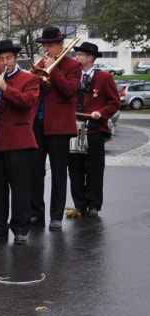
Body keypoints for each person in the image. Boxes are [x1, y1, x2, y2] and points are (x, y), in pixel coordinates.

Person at [0, 40, 40, 245]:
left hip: (19, 141)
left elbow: (27, 102)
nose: (5, 62)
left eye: (8, 58)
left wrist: (5, 88)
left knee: (20, 187)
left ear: (15, 59)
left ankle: (20, 228)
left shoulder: (29, 79)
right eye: (1, 59)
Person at [28, 26, 81, 231]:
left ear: (61, 45)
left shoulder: (74, 65)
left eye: (50, 45)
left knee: (59, 172)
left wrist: (55, 70)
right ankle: (36, 213)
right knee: (35, 171)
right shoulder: (39, 64)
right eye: (44, 45)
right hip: (37, 124)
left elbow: (69, 90)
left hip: (59, 126)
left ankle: (56, 216)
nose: (46, 49)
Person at [67, 41, 120, 218]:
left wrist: (101, 113)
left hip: (94, 130)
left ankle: (94, 204)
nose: (76, 57)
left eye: (80, 55)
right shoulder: (73, 76)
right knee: (75, 168)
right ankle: (79, 204)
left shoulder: (105, 77)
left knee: (94, 168)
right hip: (74, 129)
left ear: (90, 58)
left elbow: (114, 102)